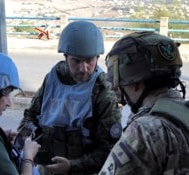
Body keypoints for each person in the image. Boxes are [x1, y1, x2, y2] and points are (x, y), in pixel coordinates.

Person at [17, 20, 122, 175]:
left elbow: (110, 150)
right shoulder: (53, 79)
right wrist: (27, 137)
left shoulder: (102, 91)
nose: (83, 68)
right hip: (45, 168)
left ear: (97, 58)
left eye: (89, 60)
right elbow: (31, 116)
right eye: (76, 60)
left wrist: (72, 166)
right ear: (66, 57)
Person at [99, 31, 189, 174]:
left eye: (120, 81)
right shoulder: (183, 114)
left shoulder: (144, 131)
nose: (117, 87)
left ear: (135, 83)